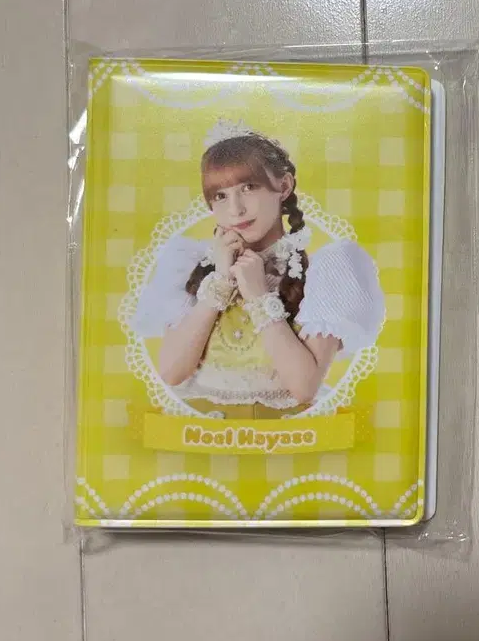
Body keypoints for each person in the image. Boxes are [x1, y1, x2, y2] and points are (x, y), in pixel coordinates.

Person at [133, 120, 385, 419]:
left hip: (285, 436)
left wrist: (259, 296)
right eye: (220, 195)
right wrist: (221, 282)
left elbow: (304, 388)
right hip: (203, 433)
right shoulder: (192, 266)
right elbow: (171, 372)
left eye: (249, 187)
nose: (235, 209)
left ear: (284, 186)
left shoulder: (324, 273)